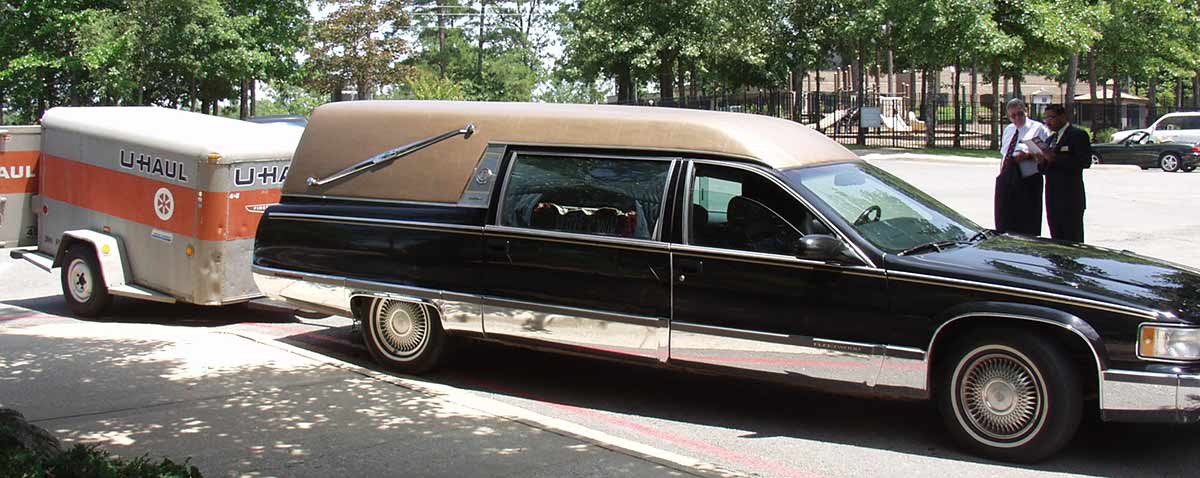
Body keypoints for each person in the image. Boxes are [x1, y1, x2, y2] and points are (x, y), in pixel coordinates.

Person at [994, 98, 1049, 236]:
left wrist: (1028, 155)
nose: (1017, 118)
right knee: (1004, 217)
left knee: (1027, 220)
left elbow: (1047, 153)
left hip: (1028, 178)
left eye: (1020, 114)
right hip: (1007, 176)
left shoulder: (1038, 128)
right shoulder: (1009, 129)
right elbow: (1004, 152)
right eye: (1013, 116)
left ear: (1026, 111)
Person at [1038, 104, 1091, 242]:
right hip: (1052, 198)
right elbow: (1043, 170)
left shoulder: (1077, 135)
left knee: (1072, 239)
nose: (1048, 122)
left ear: (1063, 117)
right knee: (1056, 239)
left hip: (1070, 198)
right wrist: (1041, 160)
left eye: (1052, 117)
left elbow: (1084, 162)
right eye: (1046, 118)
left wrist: (1055, 158)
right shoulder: (1050, 140)